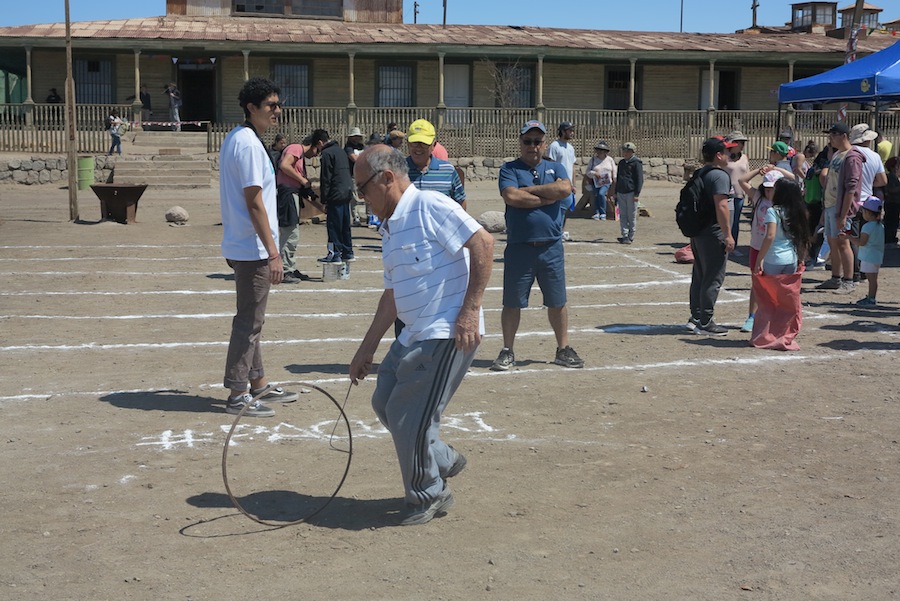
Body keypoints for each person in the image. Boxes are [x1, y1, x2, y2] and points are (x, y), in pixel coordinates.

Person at [348, 145, 494, 526]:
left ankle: (429, 493)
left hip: (446, 332)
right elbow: (392, 295)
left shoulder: (430, 205)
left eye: (362, 188)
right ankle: (442, 458)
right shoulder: (390, 227)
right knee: (384, 401)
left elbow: (483, 242)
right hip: (413, 333)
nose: (361, 198)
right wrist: (365, 350)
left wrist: (470, 310)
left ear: (386, 178)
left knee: (407, 414)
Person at [219, 76, 297, 418]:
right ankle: (238, 395)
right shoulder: (248, 144)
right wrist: (274, 252)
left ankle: (258, 383)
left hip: (243, 244)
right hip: (253, 248)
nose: (277, 112)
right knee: (248, 323)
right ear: (252, 108)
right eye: (270, 105)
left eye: (278, 105)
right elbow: (254, 202)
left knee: (253, 319)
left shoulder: (238, 137)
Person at [490, 120, 584, 371]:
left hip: (551, 247)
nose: (532, 146)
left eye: (537, 141)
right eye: (527, 141)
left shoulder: (555, 167)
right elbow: (511, 196)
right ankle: (508, 350)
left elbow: (565, 189)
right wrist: (547, 197)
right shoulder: (509, 168)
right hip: (520, 247)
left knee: (557, 301)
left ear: (544, 144)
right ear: (520, 143)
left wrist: (531, 191)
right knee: (512, 302)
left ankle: (563, 349)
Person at [687, 137, 736, 336]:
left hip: (698, 231)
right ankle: (706, 321)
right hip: (713, 232)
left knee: (700, 274)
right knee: (713, 277)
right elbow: (722, 205)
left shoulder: (701, 172)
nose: (729, 155)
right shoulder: (719, 176)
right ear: (718, 155)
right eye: (727, 152)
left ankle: (696, 317)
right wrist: (728, 235)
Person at [816, 122, 864, 295]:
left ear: (843, 136)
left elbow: (851, 188)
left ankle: (849, 280)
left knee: (844, 243)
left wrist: (843, 215)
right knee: (832, 242)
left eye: (833, 135)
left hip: (842, 208)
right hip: (830, 205)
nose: (830, 139)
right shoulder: (837, 154)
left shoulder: (852, 157)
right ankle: (835, 277)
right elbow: (830, 182)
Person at [737, 168, 784, 333]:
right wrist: (759, 170)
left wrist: (776, 168)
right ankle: (752, 317)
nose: (769, 191)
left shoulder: (784, 203)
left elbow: (796, 178)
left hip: (775, 249)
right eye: (767, 187)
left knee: (775, 284)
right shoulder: (758, 198)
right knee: (756, 283)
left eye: (773, 188)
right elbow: (742, 181)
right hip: (756, 246)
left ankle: (773, 318)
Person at [276, 129, 328, 272]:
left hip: (293, 194)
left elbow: (305, 192)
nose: (316, 155)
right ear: (314, 144)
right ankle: (286, 270)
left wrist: (321, 207)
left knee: (293, 233)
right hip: (287, 194)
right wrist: (303, 180)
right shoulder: (295, 148)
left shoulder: (301, 159)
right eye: (317, 151)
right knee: (290, 233)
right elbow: (284, 165)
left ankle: (290, 267)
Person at [754, 179, 812, 276]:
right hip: (791, 258)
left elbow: (770, 236)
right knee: (786, 290)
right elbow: (802, 236)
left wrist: (759, 259)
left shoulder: (773, 211)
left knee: (770, 289)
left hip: (774, 258)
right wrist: (801, 258)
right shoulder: (799, 212)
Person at [405, 118, 466, 210]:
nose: (418, 148)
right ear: (408, 144)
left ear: (433, 145)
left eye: (424, 144)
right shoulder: (398, 170)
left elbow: (460, 201)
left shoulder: (448, 170)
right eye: (415, 143)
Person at [841, 196, 885, 306]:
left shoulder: (867, 226)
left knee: (872, 279)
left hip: (869, 256)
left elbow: (861, 242)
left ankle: (871, 298)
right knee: (873, 279)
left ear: (869, 213)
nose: (862, 213)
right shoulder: (880, 226)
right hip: (876, 256)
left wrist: (848, 237)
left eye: (864, 211)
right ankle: (871, 297)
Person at [319, 134, 355, 262]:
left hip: (335, 193)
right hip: (346, 190)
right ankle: (348, 251)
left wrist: (324, 199)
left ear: (320, 142)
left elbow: (326, 177)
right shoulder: (342, 151)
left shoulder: (327, 154)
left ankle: (334, 253)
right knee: (345, 224)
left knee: (334, 225)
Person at [611, 142, 643, 244]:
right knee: (623, 215)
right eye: (624, 151)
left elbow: (639, 179)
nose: (625, 153)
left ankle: (631, 235)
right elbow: (619, 178)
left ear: (632, 152)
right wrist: (616, 192)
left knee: (631, 215)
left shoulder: (636, 163)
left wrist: (637, 194)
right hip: (621, 192)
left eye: (628, 151)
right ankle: (624, 235)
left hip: (631, 192)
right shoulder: (621, 163)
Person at [724, 130, 750, 250]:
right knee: (726, 221)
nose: (742, 145)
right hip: (726, 194)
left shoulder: (744, 158)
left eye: (743, 143)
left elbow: (747, 174)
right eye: (740, 142)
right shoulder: (724, 157)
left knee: (735, 222)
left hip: (740, 194)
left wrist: (749, 191)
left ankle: (734, 246)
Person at [585, 140, 615, 220]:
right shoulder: (593, 160)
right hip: (596, 182)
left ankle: (603, 213)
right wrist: (594, 173)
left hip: (606, 182)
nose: (600, 152)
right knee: (596, 195)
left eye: (602, 150)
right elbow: (587, 171)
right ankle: (596, 212)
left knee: (601, 194)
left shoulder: (610, 160)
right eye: (598, 150)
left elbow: (614, 171)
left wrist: (614, 181)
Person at [344, 127, 367, 226]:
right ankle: (355, 217)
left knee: (367, 195)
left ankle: (369, 216)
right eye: (354, 137)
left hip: (364, 175)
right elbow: (354, 159)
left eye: (358, 137)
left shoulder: (362, 146)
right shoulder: (348, 148)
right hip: (352, 174)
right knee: (354, 197)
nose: (356, 139)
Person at [884, 157, 900, 245]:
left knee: (895, 221)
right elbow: (891, 189)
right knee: (890, 221)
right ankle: (888, 237)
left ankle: (892, 237)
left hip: (896, 202)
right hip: (891, 202)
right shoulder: (890, 177)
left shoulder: (895, 177)